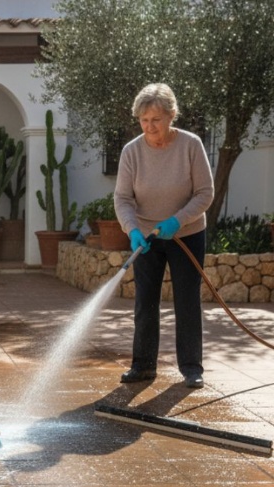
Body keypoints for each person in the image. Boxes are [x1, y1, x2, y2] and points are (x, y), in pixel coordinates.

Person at [114, 82, 214, 389]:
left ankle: (191, 368)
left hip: (187, 233)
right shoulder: (132, 151)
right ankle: (143, 366)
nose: (149, 126)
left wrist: (177, 220)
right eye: (144, 120)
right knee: (145, 301)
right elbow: (123, 198)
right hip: (146, 237)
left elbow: (205, 193)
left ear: (171, 115)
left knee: (187, 300)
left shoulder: (190, 145)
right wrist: (132, 230)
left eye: (156, 119)